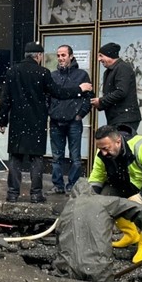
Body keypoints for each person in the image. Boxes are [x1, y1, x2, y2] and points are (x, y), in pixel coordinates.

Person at [0, 41, 92, 203]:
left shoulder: (13, 71)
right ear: (39, 56)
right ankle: (36, 194)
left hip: (17, 121)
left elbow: (5, 98)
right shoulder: (43, 73)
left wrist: (2, 120)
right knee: (36, 158)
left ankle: (12, 193)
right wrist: (79, 90)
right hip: (36, 121)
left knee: (15, 157)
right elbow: (58, 92)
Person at [88, 125, 142, 263]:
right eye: (100, 149)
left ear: (118, 141)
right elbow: (97, 178)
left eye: (106, 148)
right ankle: (131, 235)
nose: (103, 153)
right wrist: (87, 196)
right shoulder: (103, 153)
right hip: (130, 180)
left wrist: (141, 196)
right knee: (105, 199)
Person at [48, 44, 91, 193]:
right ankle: (58, 185)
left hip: (74, 121)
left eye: (63, 55)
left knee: (75, 157)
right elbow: (47, 96)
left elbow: (88, 98)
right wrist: (51, 111)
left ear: (71, 56)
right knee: (56, 156)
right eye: (58, 55)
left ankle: (72, 186)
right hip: (56, 120)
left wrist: (80, 114)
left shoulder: (81, 75)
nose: (60, 58)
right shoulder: (53, 75)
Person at [90, 42, 140, 136]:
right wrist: (100, 103)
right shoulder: (110, 71)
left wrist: (101, 101)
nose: (99, 59)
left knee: (121, 143)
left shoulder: (122, 68)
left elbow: (121, 92)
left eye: (101, 56)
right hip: (117, 118)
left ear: (110, 55)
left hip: (125, 119)